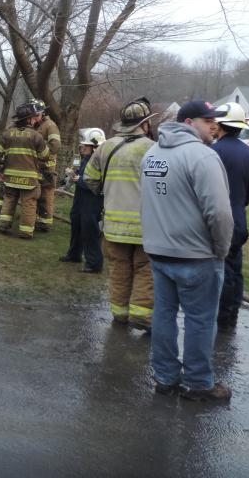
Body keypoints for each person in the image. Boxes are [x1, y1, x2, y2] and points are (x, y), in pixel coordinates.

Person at [140, 99, 234, 401]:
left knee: (164, 315)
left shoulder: (152, 154)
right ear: (190, 122)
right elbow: (219, 212)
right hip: (196, 255)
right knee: (200, 320)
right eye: (209, 121)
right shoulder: (202, 157)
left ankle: (166, 378)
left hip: (160, 251)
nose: (214, 127)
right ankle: (199, 384)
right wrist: (221, 249)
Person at [83, 97, 157, 330]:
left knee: (119, 269)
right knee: (145, 269)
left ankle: (120, 314)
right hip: (146, 227)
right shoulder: (154, 149)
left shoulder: (105, 147)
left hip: (113, 225)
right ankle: (143, 316)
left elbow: (90, 179)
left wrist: (108, 194)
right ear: (145, 124)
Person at [212, 102, 249, 332]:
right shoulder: (248, 152)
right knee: (235, 268)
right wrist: (239, 205)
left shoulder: (214, 152)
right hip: (239, 222)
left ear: (221, 125)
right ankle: (232, 314)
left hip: (219, 222)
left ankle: (222, 318)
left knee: (222, 270)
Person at [0, 101, 50, 239]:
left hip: (10, 178)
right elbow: (45, 156)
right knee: (29, 204)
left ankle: (3, 225)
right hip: (29, 180)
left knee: (9, 200)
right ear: (29, 119)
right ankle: (25, 231)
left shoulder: (8, 134)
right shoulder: (36, 136)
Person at [60, 134, 105, 273]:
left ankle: (94, 263)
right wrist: (73, 174)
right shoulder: (86, 159)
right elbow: (82, 175)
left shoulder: (100, 162)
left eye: (86, 145)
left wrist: (78, 179)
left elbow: (98, 185)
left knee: (89, 229)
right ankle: (74, 254)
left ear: (95, 147)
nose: (82, 147)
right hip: (80, 198)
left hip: (92, 201)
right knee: (77, 223)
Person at [34, 102, 61, 232]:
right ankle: (38, 219)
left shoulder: (50, 126)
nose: (34, 116)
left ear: (43, 113)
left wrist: (41, 152)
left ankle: (45, 223)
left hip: (47, 168)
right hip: (38, 166)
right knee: (37, 194)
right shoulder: (38, 125)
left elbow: (55, 146)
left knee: (46, 195)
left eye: (36, 114)